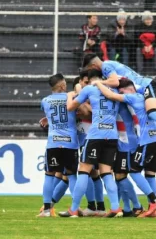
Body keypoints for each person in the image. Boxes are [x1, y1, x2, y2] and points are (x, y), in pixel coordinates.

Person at [82, 53, 156, 150]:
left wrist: (98, 82)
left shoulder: (105, 66)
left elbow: (115, 82)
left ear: (94, 65)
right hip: (140, 91)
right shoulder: (109, 64)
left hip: (148, 86)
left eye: (90, 68)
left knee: (152, 112)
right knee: (142, 118)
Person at [93, 79, 156, 217]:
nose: (119, 93)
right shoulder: (141, 97)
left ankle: (138, 206)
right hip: (133, 140)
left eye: (120, 91)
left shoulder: (128, 98)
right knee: (129, 175)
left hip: (127, 143)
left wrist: (98, 83)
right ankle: (128, 208)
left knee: (121, 175)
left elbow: (111, 96)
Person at [59, 69, 122, 218]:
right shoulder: (114, 90)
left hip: (95, 135)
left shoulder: (90, 89)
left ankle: (74, 209)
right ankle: (115, 207)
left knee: (83, 171)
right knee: (106, 173)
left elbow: (71, 107)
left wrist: (70, 95)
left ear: (90, 79)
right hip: (112, 135)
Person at [37, 73, 79, 217]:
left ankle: (47, 210)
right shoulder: (72, 98)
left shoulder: (45, 101)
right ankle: (74, 209)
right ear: (62, 86)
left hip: (53, 142)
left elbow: (51, 115)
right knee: (72, 175)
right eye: (65, 83)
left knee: (49, 175)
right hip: (70, 142)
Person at [135, 11, 156, 75]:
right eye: (146, 19)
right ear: (143, 20)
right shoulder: (139, 27)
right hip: (143, 46)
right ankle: (140, 71)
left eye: (149, 19)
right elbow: (137, 39)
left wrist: (151, 46)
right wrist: (143, 46)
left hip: (153, 46)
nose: (148, 21)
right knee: (138, 50)